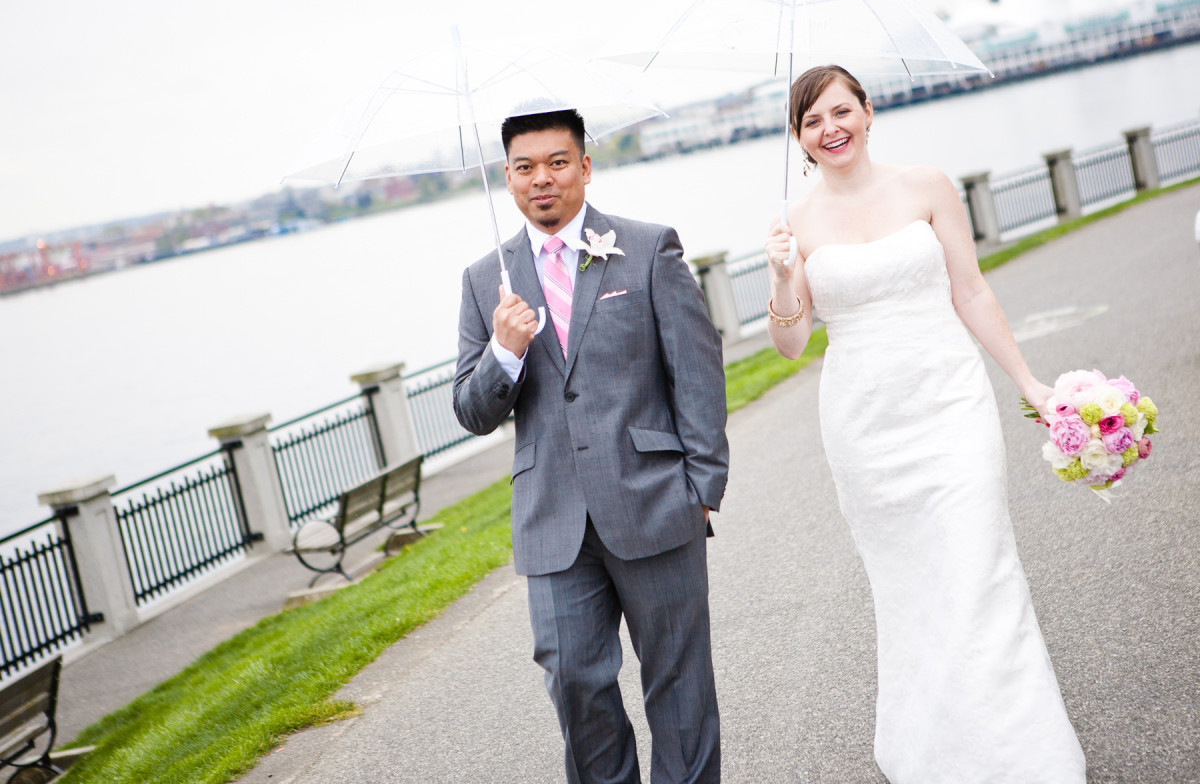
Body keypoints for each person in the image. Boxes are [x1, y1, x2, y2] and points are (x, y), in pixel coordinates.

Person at [763, 66, 1086, 782]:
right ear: (799, 137)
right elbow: (789, 344)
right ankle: (937, 751)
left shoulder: (927, 187)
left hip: (950, 404)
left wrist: (1028, 380)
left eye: (842, 111)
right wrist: (783, 277)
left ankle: (1017, 751)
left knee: (979, 567)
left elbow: (970, 291)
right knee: (911, 587)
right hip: (865, 425)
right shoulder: (797, 223)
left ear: (869, 113)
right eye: (813, 121)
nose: (831, 128)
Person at [453, 108, 729, 784]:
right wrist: (504, 352)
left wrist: (702, 489)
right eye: (525, 167)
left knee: (679, 683)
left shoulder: (647, 246)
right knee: (574, 680)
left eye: (557, 162)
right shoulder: (484, 278)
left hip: (656, 503)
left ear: (583, 166)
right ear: (508, 177)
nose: (541, 179)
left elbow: (697, 372)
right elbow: (471, 411)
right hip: (552, 521)